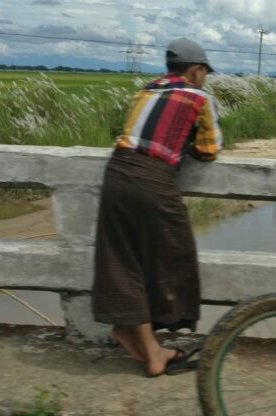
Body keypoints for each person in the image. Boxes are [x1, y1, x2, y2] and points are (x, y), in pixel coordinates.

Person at [91, 38, 222, 377]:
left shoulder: (145, 91)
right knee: (175, 254)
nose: (205, 78)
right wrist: (187, 144)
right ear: (196, 70)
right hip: (153, 178)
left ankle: (132, 333)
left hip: (117, 171)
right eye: (205, 72)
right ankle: (158, 347)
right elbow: (210, 149)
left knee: (121, 259)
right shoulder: (199, 97)